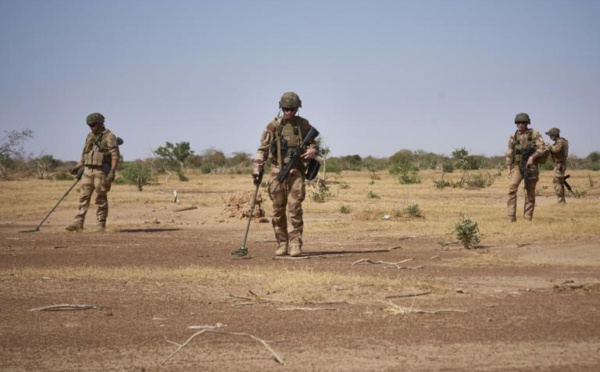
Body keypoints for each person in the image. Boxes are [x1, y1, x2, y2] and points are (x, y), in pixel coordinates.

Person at [252, 92, 320, 257]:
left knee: (294, 208)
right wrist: (257, 169)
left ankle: (295, 243)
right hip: (277, 173)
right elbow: (262, 150)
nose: (289, 112)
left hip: (296, 172)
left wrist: (312, 150)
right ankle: (282, 243)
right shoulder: (273, 126)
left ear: (297, 109)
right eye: (286, 109)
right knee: (277, 210)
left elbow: (314, 144)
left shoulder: (303, 125)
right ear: (281, 108)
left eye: (292, 109)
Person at [65, 113, 120, 232]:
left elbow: (115, 156)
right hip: (87, 170)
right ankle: (78, 222)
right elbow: (84, 156)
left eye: (93, 125)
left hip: (101, 171)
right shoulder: (90, 136)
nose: (91, 127)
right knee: (83, 196)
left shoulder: (110, 136)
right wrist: (77, 167)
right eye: (89, 125)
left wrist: (112, 172)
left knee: (100, 197)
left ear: (100, 124)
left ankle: (100, 224)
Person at [505, 112, 547, 222]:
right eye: (518, 123)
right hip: (518, 166)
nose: (520, 125)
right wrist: (508, 166)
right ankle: (511, 218)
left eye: (523, 122)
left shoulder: (534, 134)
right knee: (511, 190)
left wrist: (532, 157)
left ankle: (527, 218)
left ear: (527, 123)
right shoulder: (513, 136)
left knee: (530, 192)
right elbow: (509, 152)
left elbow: (543, 148)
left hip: (531, 166)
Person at [545, 127, 569, 204]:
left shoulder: (560, 142)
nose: (550, 137)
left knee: (557, 182)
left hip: (559, 165)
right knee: (560, 182)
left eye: (550, 135)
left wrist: (549, 146)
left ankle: (561, 201)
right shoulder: (562, 141)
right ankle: (562, 201)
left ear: (554, 135)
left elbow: (556, 150)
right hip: (560, 164)